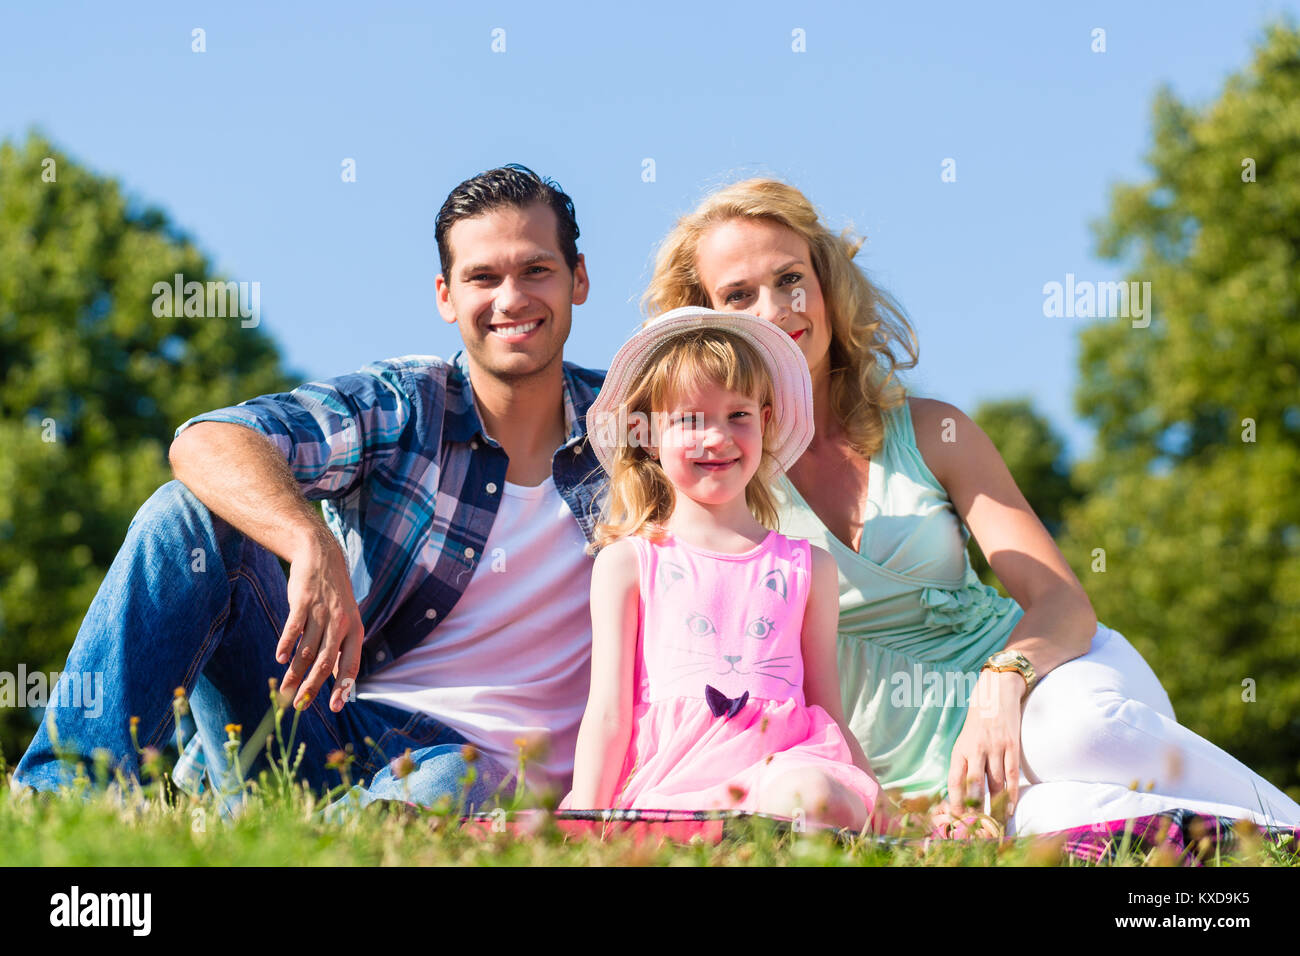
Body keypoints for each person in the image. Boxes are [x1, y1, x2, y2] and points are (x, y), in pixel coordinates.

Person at [639, 178, 1300, 834]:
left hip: (1042, 685)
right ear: (706, 321)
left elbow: (1063, 602)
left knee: (1078, 735)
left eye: (790, 279)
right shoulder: (710, 481)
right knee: (1053, 822)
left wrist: (1002, 681)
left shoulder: (932, 431)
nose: (777, 308)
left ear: (826, 285)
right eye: (739, 295)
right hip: (914, 771)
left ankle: (1285, 827)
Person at [14, 164, 606, 811]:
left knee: (452, 778)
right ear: (445, 295)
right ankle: (61, 797)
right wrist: (307, 536)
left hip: (484, 775)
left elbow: (733, 416)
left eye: (536, 270)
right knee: (190, 517)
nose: (511, 298)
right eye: (483, 277)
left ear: (578, 278)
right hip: (326, 725)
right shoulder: (409, 403)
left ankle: (294, 839)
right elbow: (206, 440)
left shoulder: (636, 427)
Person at [562, 306, 881, 830]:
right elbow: (609, 713)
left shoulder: (807, 569)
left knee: (810, 796)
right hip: (677, 786)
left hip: (789, 774)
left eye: (738, 415)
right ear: (645, 433)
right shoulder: (629, 562)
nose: (717, 437)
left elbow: (828, 714)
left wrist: (881, 805)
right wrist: (582, 821)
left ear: (767, 423)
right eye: (690, 419)